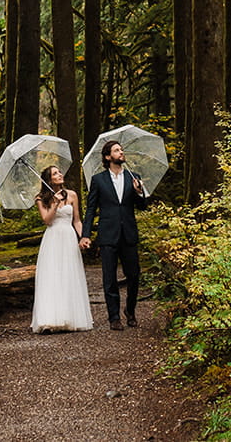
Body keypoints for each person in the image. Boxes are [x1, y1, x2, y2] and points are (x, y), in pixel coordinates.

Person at [80, 141, 151, 330]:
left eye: (121, 150)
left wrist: (139, 192)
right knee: (109, 278)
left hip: (128, 234)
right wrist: (85, 235)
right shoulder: (98, 180)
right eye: (117, 150)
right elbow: (90, 210)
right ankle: (114, 317)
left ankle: (130, 310)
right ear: (107, 157)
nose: (121, 152)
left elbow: (143, 206)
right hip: (108, 235)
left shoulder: (133, 177)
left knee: (134, 275)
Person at [30, 165, 93, 333]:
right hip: (52, 238)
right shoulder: (40, 198)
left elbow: (77, 220)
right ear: (49, 180)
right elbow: (47, 220)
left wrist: (83, 237)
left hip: (68, 237)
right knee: (52, 276)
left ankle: (70, 317)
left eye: (59, 172)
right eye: (55, 173)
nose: (60, 174)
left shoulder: (72, 194)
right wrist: (54, 205)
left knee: (68, 274)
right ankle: (48, 320)